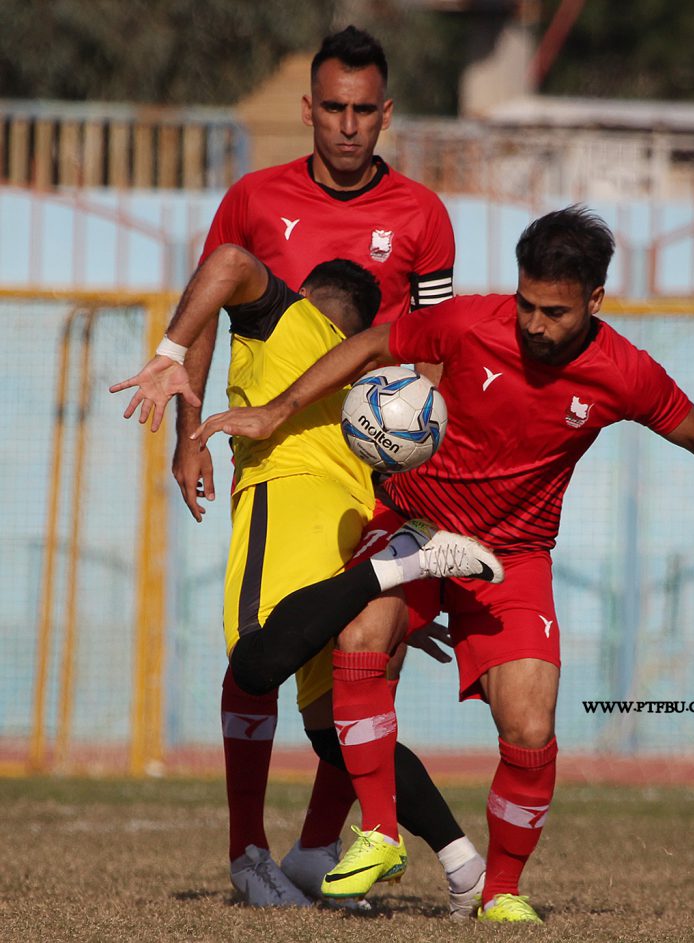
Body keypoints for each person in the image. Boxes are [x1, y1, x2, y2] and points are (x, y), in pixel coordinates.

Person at [192, 206, 694, 922]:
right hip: (416, 522)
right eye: (527, 303)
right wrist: (278, 409)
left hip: (513, 554)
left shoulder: (624, 371)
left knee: (530, 726)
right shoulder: (472, 322)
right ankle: (378, 830)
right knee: (359, 636)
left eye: (555, 312)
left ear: (595, 300)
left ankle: (498, 889)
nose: (534, 323)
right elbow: (378, 341)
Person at [170, 25, 484, 913]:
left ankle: (288, 854)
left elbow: (435, 352)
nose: (348, 126)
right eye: (333, 109)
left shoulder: (422, 215)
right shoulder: (254, 201)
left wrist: (421, 472)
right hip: (277, 460)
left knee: (342, 676)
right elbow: (213, 305)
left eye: (364, 111)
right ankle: (356, 857)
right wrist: (188, 436)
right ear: (309, 110)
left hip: (370, 481)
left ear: (386, 114)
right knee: (318, 685)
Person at [110, 244, 499, 909]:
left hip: (284, 509)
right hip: (342, 532)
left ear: (310, 295)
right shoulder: (361, 384)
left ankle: (249, 857)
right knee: (332, 735)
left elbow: (230, 259)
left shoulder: (286, 319)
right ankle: (467, 867)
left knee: (254, 666)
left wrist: (171, 354)